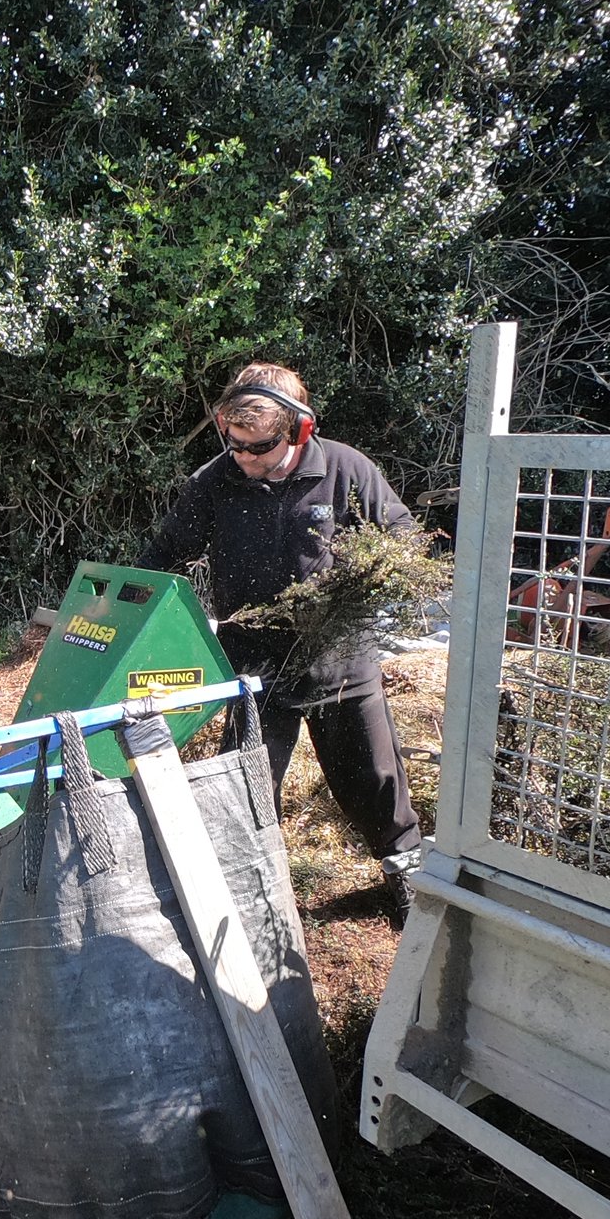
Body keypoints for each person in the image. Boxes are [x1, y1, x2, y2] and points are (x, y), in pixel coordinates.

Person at [136, 362, 424, 924]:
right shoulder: (213, 482)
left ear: (299, 431)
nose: (243, 458)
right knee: (242, 785)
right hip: (253, 670)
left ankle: (404, 870)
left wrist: (367, 579)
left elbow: (403, 539)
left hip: (340, 663)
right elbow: (163, 556)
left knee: (374, 779)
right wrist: (131, 608)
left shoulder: (345, 470)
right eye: (234, 443)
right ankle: (240, 894)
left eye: (258, 447)